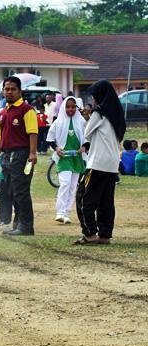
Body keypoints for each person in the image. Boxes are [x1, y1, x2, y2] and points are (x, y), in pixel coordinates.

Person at [75, 79, 125, 245]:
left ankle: (89, 234)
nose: (93, 100)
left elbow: (87, 133)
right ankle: (105, 235)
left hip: (97, 162)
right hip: (112, 163)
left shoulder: (99, 113)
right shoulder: (117, 113)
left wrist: (89, 117)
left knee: (84, 197)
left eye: (95, 96)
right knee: (106, 201)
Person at [0, 76, 38, 236]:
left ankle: (26, 226)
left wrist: (32, 153)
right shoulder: (3, 113)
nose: (9, 92)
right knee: (11, 191)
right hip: (6, 156)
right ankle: (18, 224)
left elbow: (33, 132)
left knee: (21, 191)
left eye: (13, 89)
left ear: (20, 91)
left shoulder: (27, 110)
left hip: (21, 154)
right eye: (7, 89)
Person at [46, 96, 87, 224]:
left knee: (73, 186)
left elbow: (87, 138)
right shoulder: (58, 122)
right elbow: (50, 139)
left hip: (77, 158)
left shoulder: (81, 122)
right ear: (64, 107)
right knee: (65, 183)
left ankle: (67, 213)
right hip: (64, 158)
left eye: (73, 107)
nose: (70, 109)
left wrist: (84, 147)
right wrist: (57, 149)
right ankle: (60, 212)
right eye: (68, 107)